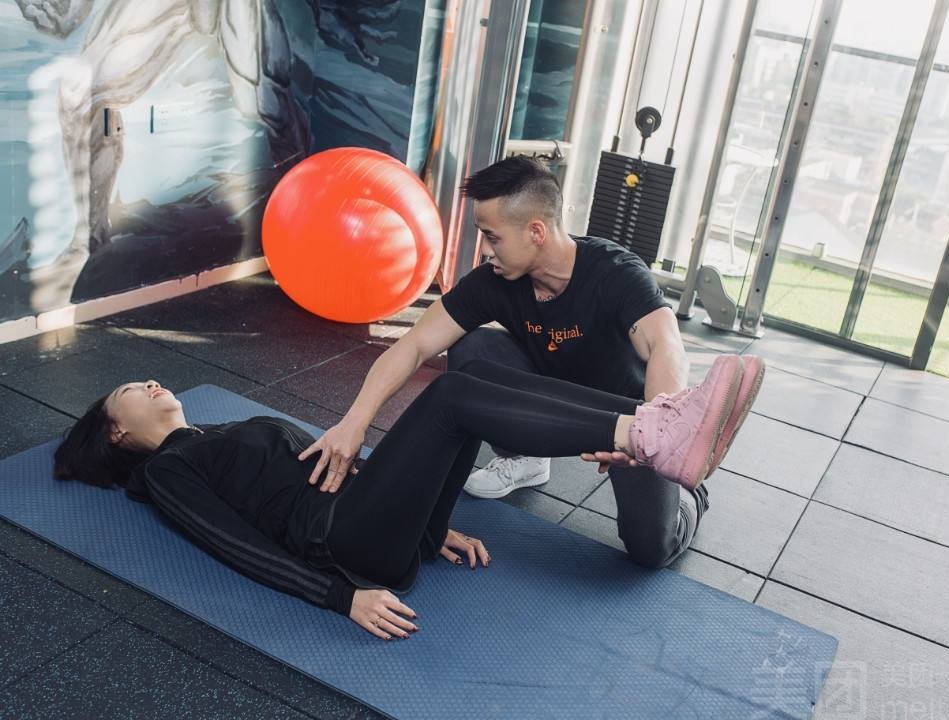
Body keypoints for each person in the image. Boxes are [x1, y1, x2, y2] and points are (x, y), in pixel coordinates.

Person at [53, 353, 751, 640]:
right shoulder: (167, 472)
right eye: (132, 390)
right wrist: (342, 598)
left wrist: (427, 523)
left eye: (146, 380)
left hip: (380, 526)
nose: (151, 384)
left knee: (478, 377)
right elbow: (230, 544)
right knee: (452, 394)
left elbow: (336, 468)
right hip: (346, 546)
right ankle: (648, 432)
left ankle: (654, 424)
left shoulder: (213, 431)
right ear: (117, 432)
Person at [304, 156, 766, 569]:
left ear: (536, 232)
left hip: (631, 417)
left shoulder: (615, 272)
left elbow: (666, 345)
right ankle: (525, 458)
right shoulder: (494, 281)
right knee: (471, 353)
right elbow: (414, 346)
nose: (485, 250)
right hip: (551, 400)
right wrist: (354, 422)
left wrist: (658, 423)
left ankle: (689, 495)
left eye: (492, 237)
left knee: (651, 549)